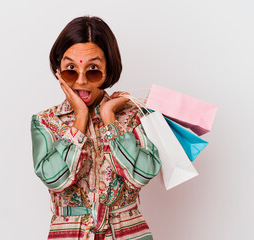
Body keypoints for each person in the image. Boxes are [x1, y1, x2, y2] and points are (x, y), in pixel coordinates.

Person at [30, 16, 162, 240]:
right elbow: (56, 180)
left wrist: (109, 118)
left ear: (108, 68)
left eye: (92, 69)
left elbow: (141, 175)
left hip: (128, 233)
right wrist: (80, 119)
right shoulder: (45, 121)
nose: (81, 81)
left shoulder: (133, 115)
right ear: (58, 70)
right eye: (71, 69)